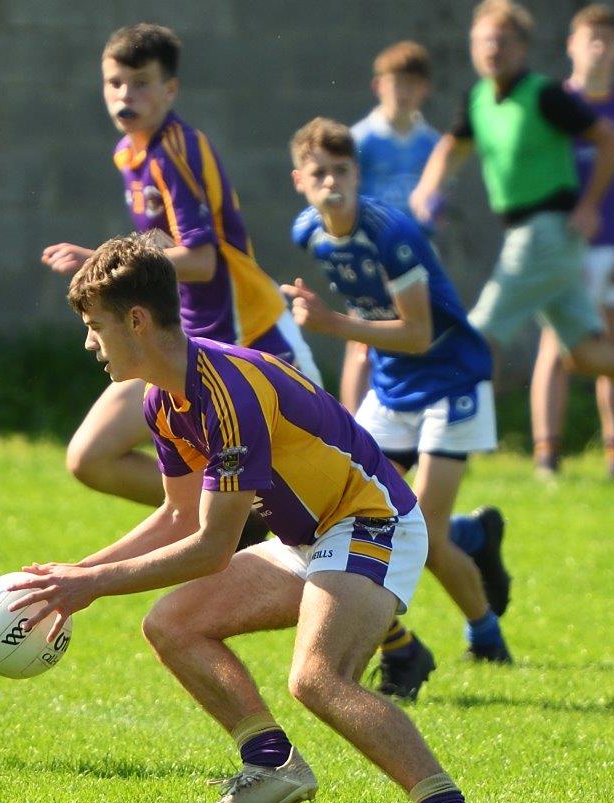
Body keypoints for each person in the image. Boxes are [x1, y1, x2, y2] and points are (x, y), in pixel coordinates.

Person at [9, 235, 490, 803]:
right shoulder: (164, 402)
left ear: (136, 320)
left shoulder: (227, 392)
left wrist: (95, 584)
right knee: (172, 624)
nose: (89, 343)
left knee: (317, 678)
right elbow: (178, 516)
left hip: (371, 519)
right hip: (307, 536)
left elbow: (212, 546)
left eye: (95, 326)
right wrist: (73, 576)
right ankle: (270, 766)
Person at [41, 22, 319, 512]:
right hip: (183, 343)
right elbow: (166, 249)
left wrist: (100, 262)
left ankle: (458, 537)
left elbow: (201, 260)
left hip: (250, 335)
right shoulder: (131, 153)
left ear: (170, 89)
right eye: (115, 83)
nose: (126, 95)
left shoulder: (176, 149)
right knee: (90, 457)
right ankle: (236, 520)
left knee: (323, 495)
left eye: (141, 82)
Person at [287, 118, 512, 704]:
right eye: (319, 173)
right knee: (340, 516)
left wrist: (330, 324)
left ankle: (486, 636)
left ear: (358, 176)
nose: (332, 182)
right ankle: (471, 543)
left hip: (451, 380)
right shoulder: (308, 232)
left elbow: (416, 334)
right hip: (391, 390)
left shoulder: (391, 232)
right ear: (299, 181)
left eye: (342, 171)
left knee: (427, 535)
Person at [411, 1, 614, 411]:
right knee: (587, 355)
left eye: (502, 41)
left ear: (522, 48)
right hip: (539, 238)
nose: (491, 49)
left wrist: (590, 204)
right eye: (483, 41)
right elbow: (452, 147)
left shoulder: (544, 94)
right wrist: (426, 189)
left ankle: (437, 436)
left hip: (545, 232)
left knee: (476, 335)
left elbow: (610, 139)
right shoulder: (479, 97)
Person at [529, 4, 614, 477]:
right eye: (589, 37)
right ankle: (547, 456)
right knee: (559, 347)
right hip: (567, 249)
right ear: (570, 45)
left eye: (608, 38)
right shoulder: (555, 106)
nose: (599, 45)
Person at [341, 40, 441, 415]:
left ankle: (404, 424)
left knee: (416, 340)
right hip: (370, 258)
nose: (403, 92)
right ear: (378, 86)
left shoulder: (432, 143)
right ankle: (351, 433)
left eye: (412, 84)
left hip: (414, 261)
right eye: (395, 82)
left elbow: (434, 203)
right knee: (363, 344)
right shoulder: (359, 140)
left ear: (425, 89)